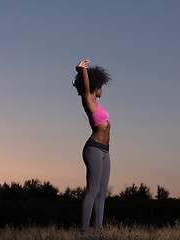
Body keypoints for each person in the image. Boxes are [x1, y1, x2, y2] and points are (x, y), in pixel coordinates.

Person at [72, 59, 112, 238]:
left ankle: (99, 231)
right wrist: (83, 72)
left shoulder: (98, 103)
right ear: (96, 86)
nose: (103, 89)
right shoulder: (88, 102)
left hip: (105, 151)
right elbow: (86, 89)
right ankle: (84, 231)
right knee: (93, 190)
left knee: (102, 192)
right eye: (101, 85)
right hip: (94, 149)